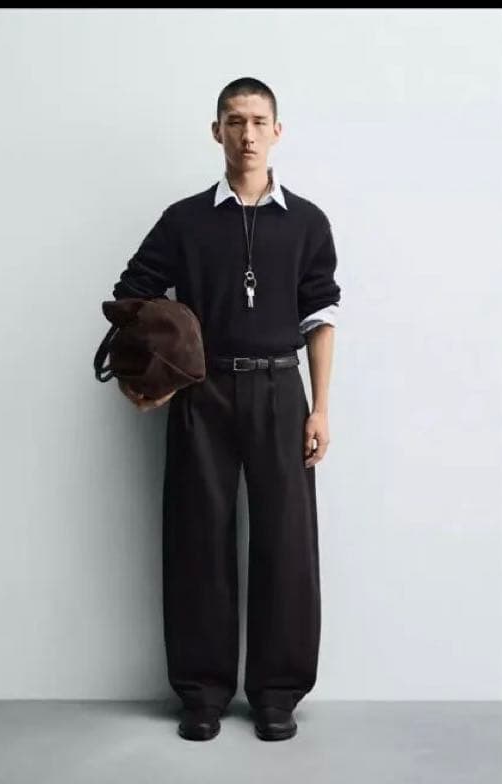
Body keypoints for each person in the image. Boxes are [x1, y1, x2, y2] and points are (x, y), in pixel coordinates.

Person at [112, 76, 341, 742]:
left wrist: (321, 408)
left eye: (259, 121)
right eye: (235, 121)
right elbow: (132, 292)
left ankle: (277, 694)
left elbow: (321, 318)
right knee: (197, 538)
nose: (247, 134)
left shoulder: (307, 222)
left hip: (280, 390)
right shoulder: (185, 220)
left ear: (278, 131)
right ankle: (202, 692)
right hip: (203, 391)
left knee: (286, 544)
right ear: (217, 131)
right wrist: (153, 376)